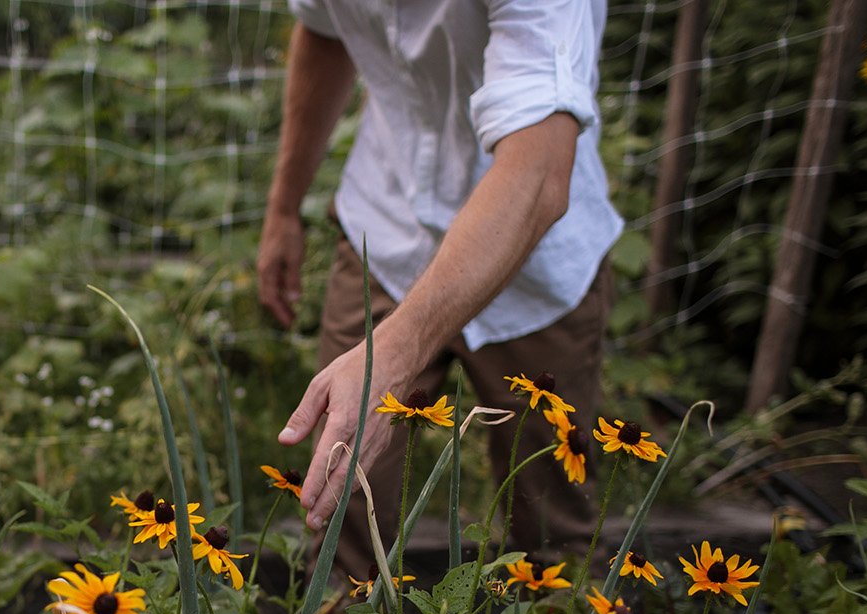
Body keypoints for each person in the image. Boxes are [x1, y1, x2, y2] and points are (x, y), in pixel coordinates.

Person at [258, 0, 623, 580]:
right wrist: (283, 208)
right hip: (385, 223)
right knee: (340, 508)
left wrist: (390, 357)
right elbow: (324, 33)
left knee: (549, 522)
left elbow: (537, 174)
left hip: (533, 258)